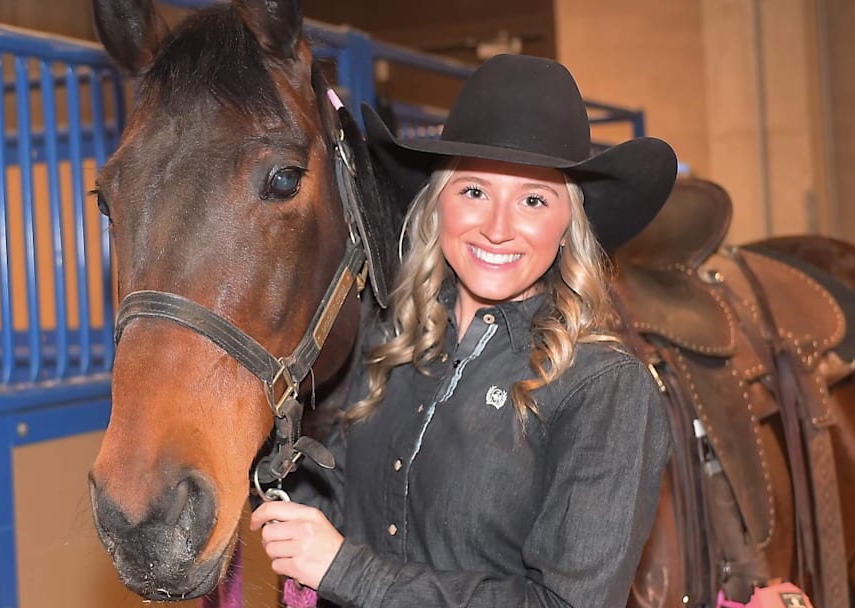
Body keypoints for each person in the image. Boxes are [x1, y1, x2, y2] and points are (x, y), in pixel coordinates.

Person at [250, 53, 678, 607]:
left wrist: (347, 570)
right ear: (438, 204)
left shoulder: (604, 390)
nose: (498, 229)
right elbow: (333, 511)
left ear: (569, 223)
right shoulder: (388, 342)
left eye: (532, 199)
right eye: (474, 191)